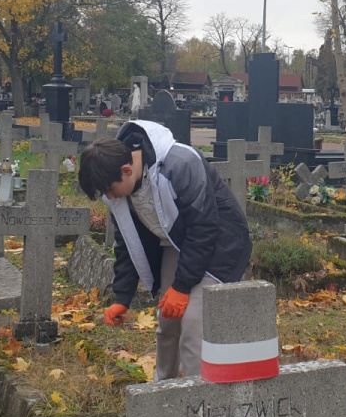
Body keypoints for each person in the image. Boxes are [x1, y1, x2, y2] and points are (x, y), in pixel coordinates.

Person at [78, 119, 252, 381]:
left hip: (220, 241)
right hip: (177, 242)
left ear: (126, 170)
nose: (110, 197)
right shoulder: (118, 186)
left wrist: (181, 287)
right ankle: (163, 389)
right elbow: (128, 243)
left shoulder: (180, 165)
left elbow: (203, 228)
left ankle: (200, 394)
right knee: (167, 318)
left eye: (110, 190)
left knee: (193, 321)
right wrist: (122, 297)